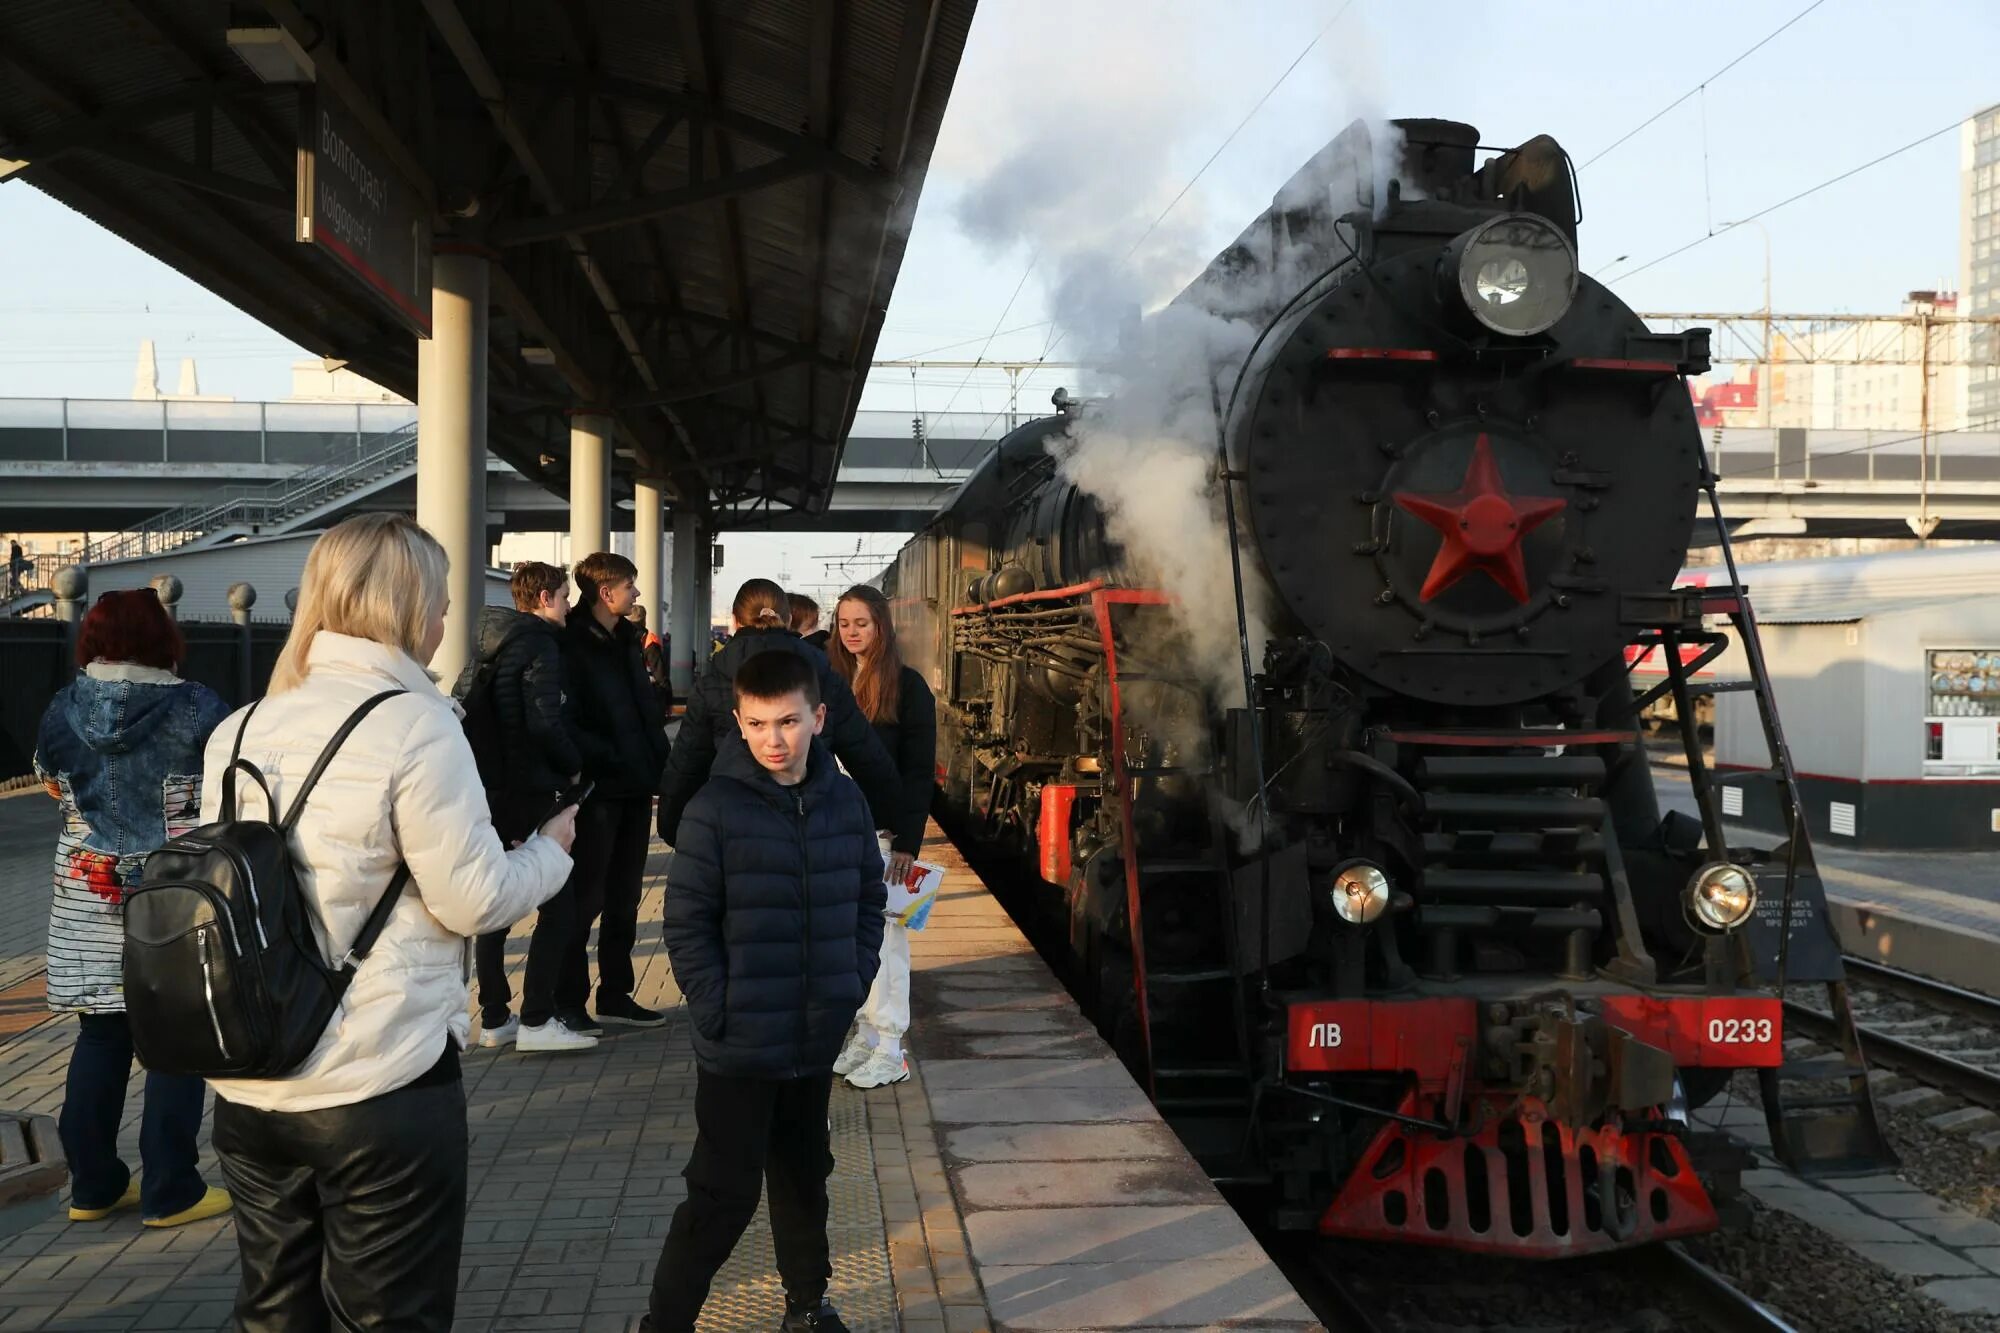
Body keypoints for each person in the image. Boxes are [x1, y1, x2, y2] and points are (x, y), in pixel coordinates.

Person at [200, 513, 578, 1330]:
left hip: (249, 1080)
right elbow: (473, 899)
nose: (447, 619)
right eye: (440, 599)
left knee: (272, 1312)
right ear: (408, 607)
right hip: (377, 1081)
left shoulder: (239, 726)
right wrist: (551, 852)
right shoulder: (418, 723)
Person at [645, 650, 886, 1333]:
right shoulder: (714, 809)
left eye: (787, 721)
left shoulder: (845, 797)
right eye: (756, 724)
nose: (773, 739)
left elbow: (870, 894)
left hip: (814, 1034)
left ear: (818, 717)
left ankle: (807, 1307)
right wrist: (716, 1007)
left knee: (805, 1175)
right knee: (722, 1195)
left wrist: (853, 978)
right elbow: (685, 922)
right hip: (740, 1042)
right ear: (738, 724)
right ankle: (663, 1324)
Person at [33, 589, 234, 1229]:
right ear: (162, 639)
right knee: (173, 1038)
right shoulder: (199, 705)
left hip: (87, 888)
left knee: (101, 1033)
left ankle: (92, 1186)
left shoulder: (62, 709)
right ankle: (171, 1189)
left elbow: (51, 784)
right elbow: (230, 785)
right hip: (173, 891)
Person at [459, 561, 595, 1054]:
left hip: (491, 789)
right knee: (559, 902)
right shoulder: (538, 643)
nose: (567, 604)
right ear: (544, 599)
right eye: (563, 595)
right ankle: (538, 1018)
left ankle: (496, 1017)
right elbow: (543, 719)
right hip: (533, 786)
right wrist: (574, 765)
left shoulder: (488, 644)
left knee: (496, 902)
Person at [657, 579, 901, 851]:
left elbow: (687, 763)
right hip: (813, 822)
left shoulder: (713, 681)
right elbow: (867, 757)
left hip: (736, 824)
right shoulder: (824, 676)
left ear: (736, 621)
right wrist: (888, 820)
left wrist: (674, 827)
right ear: (787, 620)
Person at [827, 585, 937, 1090]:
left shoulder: (909, 688)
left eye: (862, 623)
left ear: (882, 627)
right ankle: (868, 1034)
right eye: (844, 623)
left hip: (884, 835)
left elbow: (918, 772)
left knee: (888, 942)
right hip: (836, 831)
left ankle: (892, 1047)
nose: (851, 632)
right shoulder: (829, 681)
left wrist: (909, 843)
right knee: (853, 940)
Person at [561, 552, 672, 1034]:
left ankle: (616, 994)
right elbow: (568, 719)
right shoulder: (571, 643)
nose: (637, 593)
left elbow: (646, 712)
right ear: (607, 593)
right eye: (631, 585)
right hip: (597, 790)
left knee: (626, 897)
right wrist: (603, 758)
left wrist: (659, 769)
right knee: (586, 898)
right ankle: (570, 1000)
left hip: (634, 786)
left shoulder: (629, 639)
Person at [628, 602, 676, 714]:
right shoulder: (649, 641)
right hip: (646, 698)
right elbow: (660, 675)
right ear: (644, 620)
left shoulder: (618, 636)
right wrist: (668, 701)